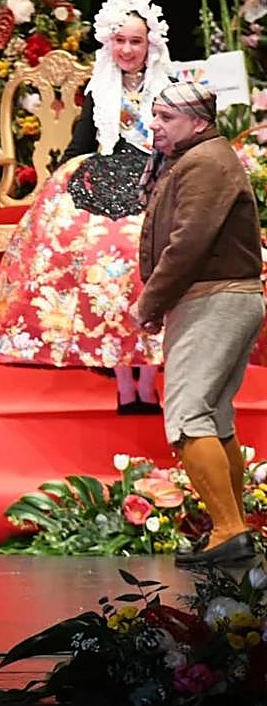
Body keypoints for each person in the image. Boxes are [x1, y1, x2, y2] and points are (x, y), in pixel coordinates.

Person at [0, 0, 171, 414]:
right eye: (120, 41)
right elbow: (82, 144)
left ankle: (149, 379)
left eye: (136, 41)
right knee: (102, 263)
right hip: (108, 176)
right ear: (108, 44)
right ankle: (122, 380)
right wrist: (63, 182)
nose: (128, 50)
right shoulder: (100, 90)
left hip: (158, 179)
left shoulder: (168, 88)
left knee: (145, 266)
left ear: (150, 43)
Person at [132, 81, 265, 569]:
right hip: (223, 298)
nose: (156, 125)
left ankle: (229, 529)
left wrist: (150, 301)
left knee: (188, 415)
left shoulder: (206, 161)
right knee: (213, 416)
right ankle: (232, 529)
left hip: (216, 299)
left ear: (199, 121)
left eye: (167, 117)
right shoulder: (199, 158)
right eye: (156, 115)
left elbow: (189, 243)